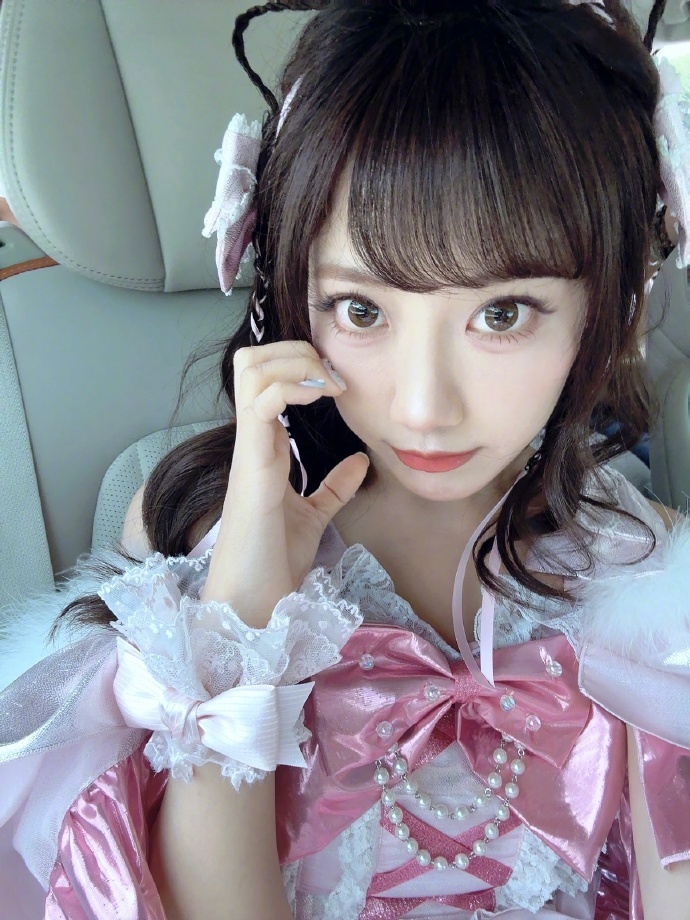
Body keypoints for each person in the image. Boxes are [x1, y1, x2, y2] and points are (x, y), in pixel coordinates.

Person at [1, 0, 690, 918]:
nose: (423, 407)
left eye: (502, 314)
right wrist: (246, 605)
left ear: (605, 309)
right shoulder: (196, 543)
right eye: (362, 311)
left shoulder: (648, 579)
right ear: (291, 297)